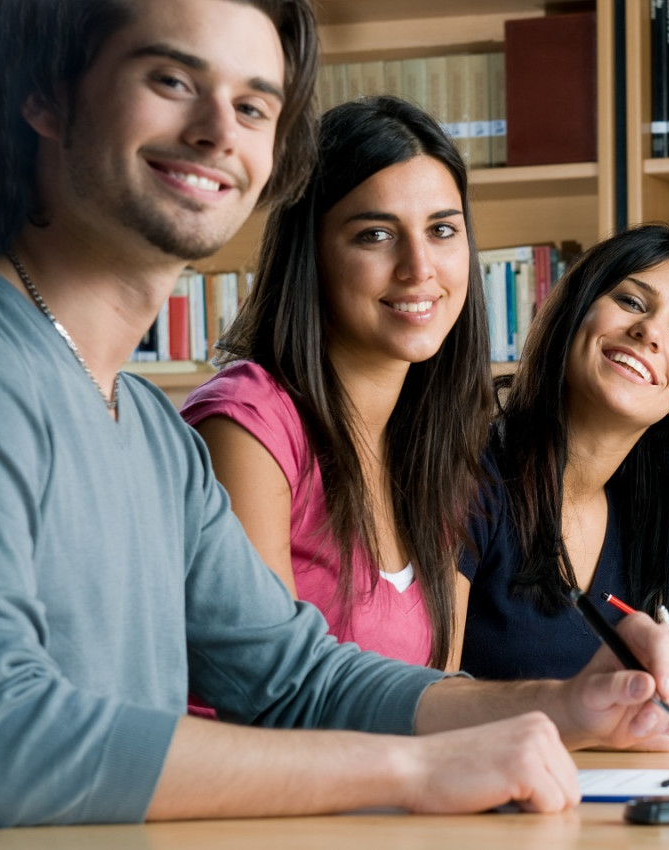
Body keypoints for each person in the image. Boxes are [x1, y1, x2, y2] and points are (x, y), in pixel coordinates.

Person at [0, 0, 669, 829]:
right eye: (172, 79)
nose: (221, 131)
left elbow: (299, 679)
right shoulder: (6, 372)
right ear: (44, 95)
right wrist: (414, 767)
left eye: (255, 106)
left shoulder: (149, 433)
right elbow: (3, 734)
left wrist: (574, 704)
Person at [181, 96, 489, 671]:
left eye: (442, 230)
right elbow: (274, 691)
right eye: (375, 235)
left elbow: (434, 693)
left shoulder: (434, 444)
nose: (419, 268)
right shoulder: (247, 423)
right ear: (312, 254)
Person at [460, 223, 669, 699]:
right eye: (632, 302)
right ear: (574, 314)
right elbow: (423, 695)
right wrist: (626, 683)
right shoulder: (469, 480)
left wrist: (659, 680)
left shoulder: (648, 523)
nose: (649, 332)